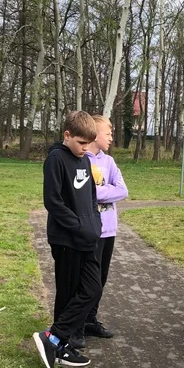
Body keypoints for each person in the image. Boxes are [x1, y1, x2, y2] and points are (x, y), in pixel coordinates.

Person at [33, 111, 103, 368]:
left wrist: (94, 223)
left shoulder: (85, 160)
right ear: (67, 135)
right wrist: (78, 226)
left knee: (92, 289)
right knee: (67, 292)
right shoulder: (56, 159)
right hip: (66, 239)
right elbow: (52, 201)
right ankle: (59, 344)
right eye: (81, 143)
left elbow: (92, 197)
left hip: (88, 237)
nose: (85, 149)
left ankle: (53, 337)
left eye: (88, 144)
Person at [68, 114, 128, 349]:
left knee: (100, 280)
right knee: (86, 283)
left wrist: (98, 191)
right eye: (108, 133)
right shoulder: (82, 160)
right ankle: (78, 325)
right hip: (90, 232)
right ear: (94, 134)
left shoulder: (110, 162)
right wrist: (101, 190)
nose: (111, 137)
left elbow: (122, 190)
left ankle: (91, 319)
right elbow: (81, 194)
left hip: (109, 230)